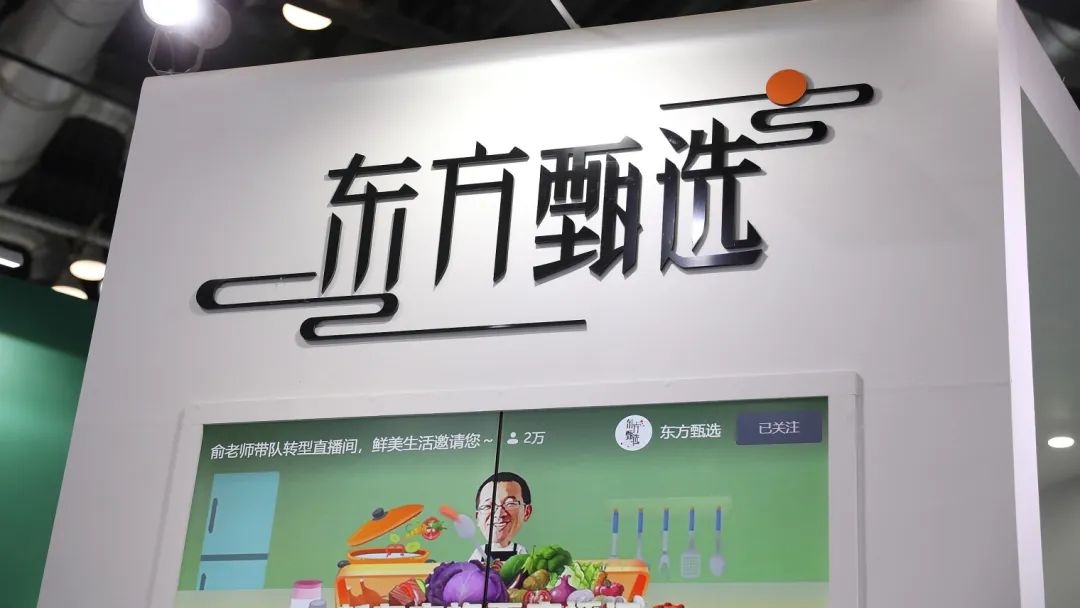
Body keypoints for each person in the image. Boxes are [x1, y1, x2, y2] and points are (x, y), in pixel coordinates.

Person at [468, 472, 532, 563]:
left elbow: (524, 570)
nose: (499, 514)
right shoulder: (480, 552)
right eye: (488, 506)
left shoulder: (519, 551)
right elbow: (470, 569)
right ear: (478, 517)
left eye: (510, 504)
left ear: (527, 512)